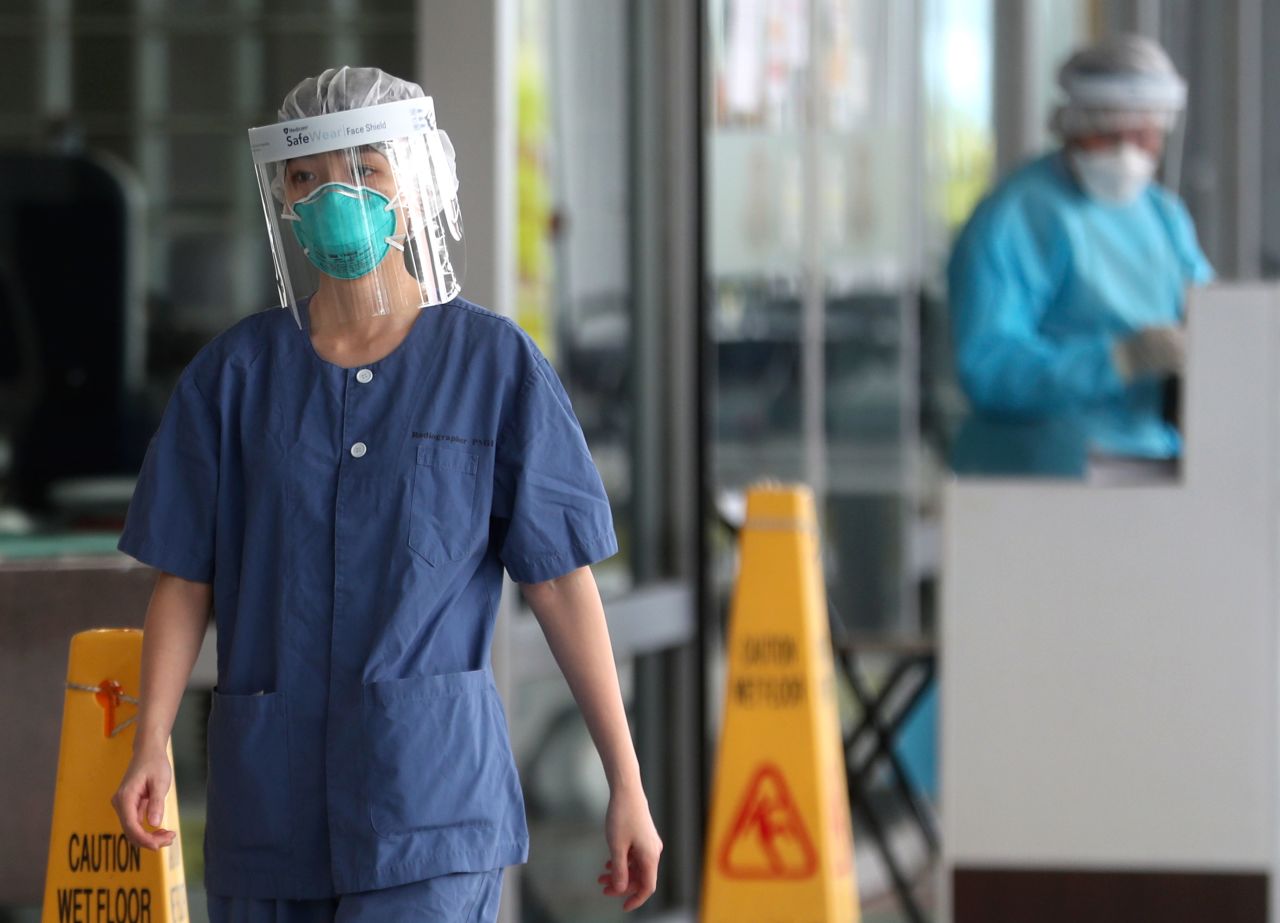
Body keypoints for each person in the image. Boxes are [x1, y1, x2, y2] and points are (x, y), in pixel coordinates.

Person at [109, 66, 662, 922]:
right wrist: (151, 741)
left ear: (418, 179)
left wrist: (625, 780)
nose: (335, 195)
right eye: (308, 177)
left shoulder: (494, 367)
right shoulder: (234, 377)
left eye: (366, 167)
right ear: (284, 199)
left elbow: (559, 581)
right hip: (270, 813)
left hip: (429, 812)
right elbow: (186, 575)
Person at [948, 34, 1214, 477]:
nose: (1127, 152)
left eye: (1143, 135)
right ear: (1072, 123)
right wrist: (1116, 359)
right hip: (1039, 471)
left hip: (1152, 463)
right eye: (1109, 134)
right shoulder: (1018, 216)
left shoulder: (1163, 216)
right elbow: (988, 365)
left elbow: (1213, 314)